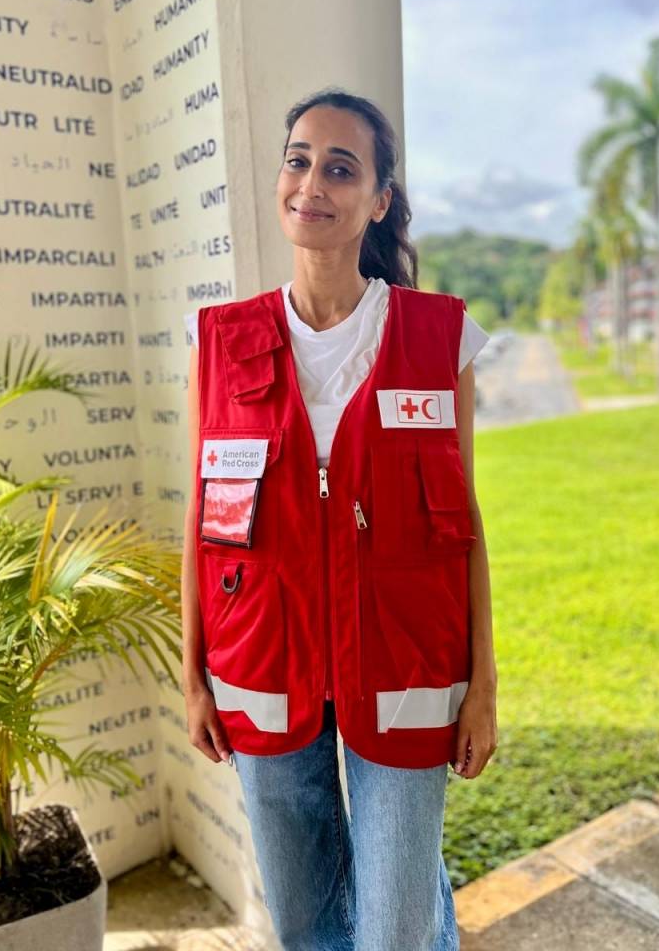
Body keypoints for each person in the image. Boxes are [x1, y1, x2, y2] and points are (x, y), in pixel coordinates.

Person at [181, 87, 498, 951]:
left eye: (340, 167)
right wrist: (192, 674)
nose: (311, 182)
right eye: (298, 159)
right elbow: (200, 522)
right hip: (261, 669)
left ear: (379, 199)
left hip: (405, 667)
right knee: (305, 921)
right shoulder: (219, 340)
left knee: (396, 927)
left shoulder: (440, 339)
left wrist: (484, 689)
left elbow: (462, 520)